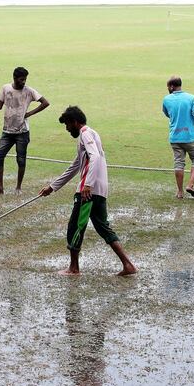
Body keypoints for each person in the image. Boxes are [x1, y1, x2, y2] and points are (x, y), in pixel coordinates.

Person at [39, 106, 137, 276]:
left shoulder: (85, 133)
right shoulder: (90, 135)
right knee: (103, 228)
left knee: (75, 226)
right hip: (99, 190)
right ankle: (128, 265)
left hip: (89, 192)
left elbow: (96, 157)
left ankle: (74, 268)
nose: (67, 129)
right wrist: (53, 187)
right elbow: (75, 166)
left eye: (67, 125)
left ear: (75, 122)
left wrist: (88, 185)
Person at [0, 66, 49, 195]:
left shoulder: (29, 91)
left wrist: (30, 113)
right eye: (21, 79)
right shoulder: (6, 89)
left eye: (25, 79)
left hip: (22, 132)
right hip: (7, 131)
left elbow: (45, 102)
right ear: (14, 78)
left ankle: (18, 187)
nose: (24, 82)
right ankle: (0, 188)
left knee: (21, 159)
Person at [162, 76, 194, 199]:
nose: (168, 88)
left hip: (175, 138)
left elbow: (167, 113)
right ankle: (190, 185)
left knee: (179, 163)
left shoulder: (166, 99)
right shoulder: (191, 98)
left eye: (168, 86)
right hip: (190, 137)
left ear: (172, 86)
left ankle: (180, 192)